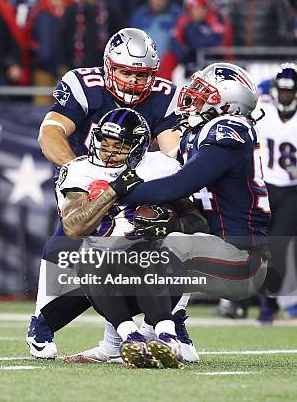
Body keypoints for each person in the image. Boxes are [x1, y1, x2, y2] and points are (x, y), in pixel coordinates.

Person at [28, 27, 196, 362]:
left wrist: (169, 180)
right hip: (90, 176)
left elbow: (171, 150)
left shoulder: (165, 95)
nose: (134, 83)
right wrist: (79, 169)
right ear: (108, 66)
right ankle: (41, 321)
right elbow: (51, 132)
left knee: (173, 239)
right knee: (70, 241)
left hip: (138, 181)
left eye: (141, 76)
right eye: (126, 73)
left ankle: (167, 323)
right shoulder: (82, 85)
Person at [105, 62, 269, 311]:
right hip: (214, 250)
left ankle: (167, 332)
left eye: (204, 92)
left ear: (225, 104)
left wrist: (117, 193)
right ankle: (135, 338)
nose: (194, 96)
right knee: (130, 250)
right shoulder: (200, 132)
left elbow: (178, 185)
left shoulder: (229, 130)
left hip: (242, 261)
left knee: (168, 248)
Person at [56, 108, 206, 368]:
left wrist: (167, 226)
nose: (109, 153)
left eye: (119, 146)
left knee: (159, 247)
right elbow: (72, 227)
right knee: (88, 255)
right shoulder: (79, 169)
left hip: (160, 270)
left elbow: (197, 220)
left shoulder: (160, 166)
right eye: (104, 143)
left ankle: (168, 333)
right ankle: (130, 338)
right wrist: (112, 192)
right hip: (105, 277)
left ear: (137, 147)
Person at [255, 64, 297, 323]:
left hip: (292, 190)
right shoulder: (264, 112)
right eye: (282, 91)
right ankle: (265, 302)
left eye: (289, 92)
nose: (285, 97)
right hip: (266, 185)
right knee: (260, 246)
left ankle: (272, 303)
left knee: (279, 247)